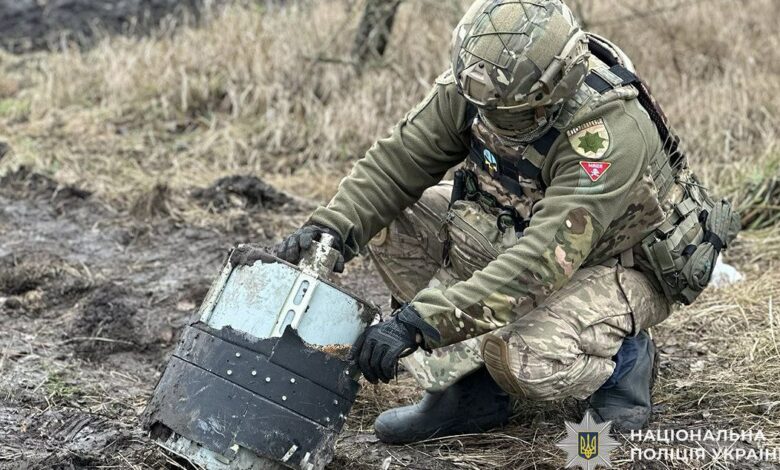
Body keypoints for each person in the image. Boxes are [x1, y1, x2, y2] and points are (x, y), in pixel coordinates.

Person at [275, 0, 740, 444]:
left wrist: (422, 323)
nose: (488, 117)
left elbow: (539, 264)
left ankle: (624, 360)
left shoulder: (606, 133)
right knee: (393, 220)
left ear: (549, 90)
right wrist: (332, 228)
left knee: (523, 358)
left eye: (505, 112)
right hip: (529, 228)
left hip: (617, 263)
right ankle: (468, 392)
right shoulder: (485, 84)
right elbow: (399, 162)